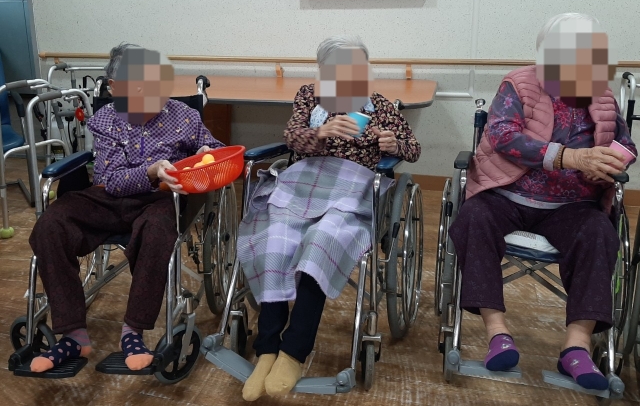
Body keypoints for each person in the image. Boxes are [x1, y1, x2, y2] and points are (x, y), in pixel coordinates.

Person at [449, 13, 636, 391]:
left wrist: (614, 160)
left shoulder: (601, 95)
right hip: (506, 193)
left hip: (573, 205)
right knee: (473, 218)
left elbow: (625, 143)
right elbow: (503, 135)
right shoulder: (519, 84)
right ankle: (497, 332)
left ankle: (576, 347)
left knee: (600, 233)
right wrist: (571, 156)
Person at [238, 35, 420, 400]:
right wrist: (321, 131)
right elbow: (292, 138)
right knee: (274, 242)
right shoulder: (311, 96)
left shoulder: (380, 105)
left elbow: (413, 149)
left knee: (320, 244)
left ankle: (293, 353)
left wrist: (393, 145)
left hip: (351, 191)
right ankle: (267, 348)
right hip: (302, 184)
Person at [29, 44, 224, 373]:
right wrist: (151, 171)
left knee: (158, 230)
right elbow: (112, 180)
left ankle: (133, 331)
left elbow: (216, 151)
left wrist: (206, 152)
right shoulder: (106, 118)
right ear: (115, 88)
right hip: (109, 196)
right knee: (50, 225)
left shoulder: (184, 115)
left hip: (161, 199)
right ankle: (74, 334)